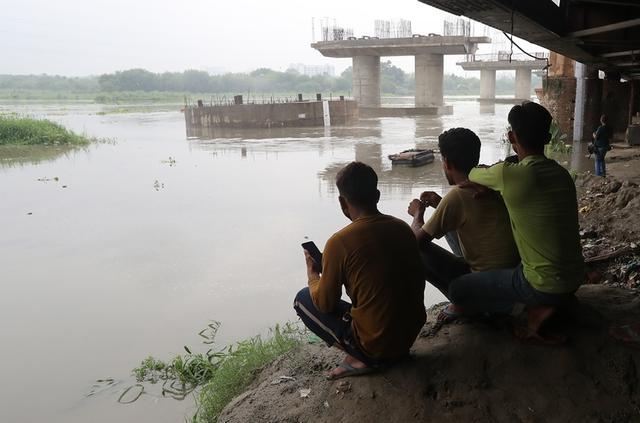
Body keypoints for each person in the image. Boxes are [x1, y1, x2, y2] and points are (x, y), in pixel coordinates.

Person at [451, 102, 585, 341]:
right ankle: (551, 303)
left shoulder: (508, 174)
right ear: (547, 136)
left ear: (511, 136)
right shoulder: (562, 175)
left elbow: (470, 173)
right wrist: (496, 191)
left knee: (458, 289)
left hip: (539, 284)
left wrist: (489, 181)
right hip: (574, 279)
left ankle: (529, 309)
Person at [294, 162, 426, 379]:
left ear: (342, 202)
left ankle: (362, 358)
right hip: (409, 336)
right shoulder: (401, 227)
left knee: (303, 298)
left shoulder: (339, 242)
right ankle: (377, 350)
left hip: (377, 345)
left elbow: (324, 303)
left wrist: (313, 275)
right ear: (377, 195)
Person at [407, 128, 520, 320]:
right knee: (452, 226)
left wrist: (417, 214)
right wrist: (440, 203)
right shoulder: (489, 184)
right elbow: (468, 212)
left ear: (447, 163)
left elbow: (411, 242)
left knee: (415, 251)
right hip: (510, 280)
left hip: (485, 289)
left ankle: (466, 305)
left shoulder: (457, 196)